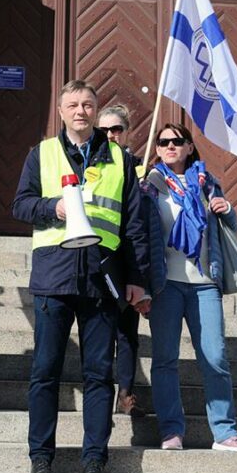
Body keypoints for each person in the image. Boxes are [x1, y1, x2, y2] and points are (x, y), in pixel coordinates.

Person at [12, 79, 151, 473]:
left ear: (96, 111)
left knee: (97, 374)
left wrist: (138, 280)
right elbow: (19, 205)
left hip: (102, 277)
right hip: (54, 275)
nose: (81, 111)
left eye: (88, 105)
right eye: (72, 105)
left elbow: (135, 226)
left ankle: (94, 461)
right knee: (45, 373)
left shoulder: (120, 159)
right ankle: (41, 458)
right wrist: (50, 207)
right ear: (61, 111)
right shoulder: (42, 154)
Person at [142, 123, 237, 454]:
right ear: (158, 149)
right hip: (166, 285)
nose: (170, 146)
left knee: (215, 357)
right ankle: (171, 430)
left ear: (190, 147)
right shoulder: (150, 186)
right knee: (164, 359)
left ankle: (224, 432)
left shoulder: (207, 183)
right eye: (164, 143)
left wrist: (228, 210)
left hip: (205, 283)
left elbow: (229, 228)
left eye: (178, 141)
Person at [97, 104, 145, 417]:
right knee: (101, 329)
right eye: (105, 130)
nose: (111, 135)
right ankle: (100, 389)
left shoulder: (140, 167)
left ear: (125, 131)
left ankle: (125, 392)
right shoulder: (92, 164)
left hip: (128, 256)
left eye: (116, 129)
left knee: (127, 330)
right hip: (99, 256)